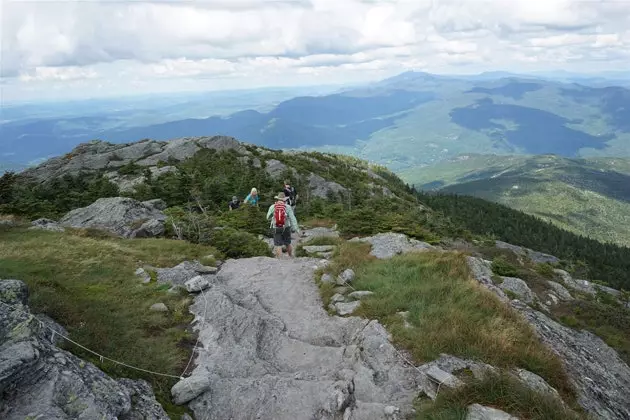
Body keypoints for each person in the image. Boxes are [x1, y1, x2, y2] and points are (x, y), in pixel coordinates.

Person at [266, 192, 300, 258]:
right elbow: (293, 218)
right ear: (284, 199)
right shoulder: (288, 207)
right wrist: (296, 229)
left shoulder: (273, 206)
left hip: (276, 227)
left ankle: (280, 259)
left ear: (277, 199)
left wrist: (273, 218)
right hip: (286, 227)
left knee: (278, 244)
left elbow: (267, 217)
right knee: (288, 243)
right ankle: (291, 256)